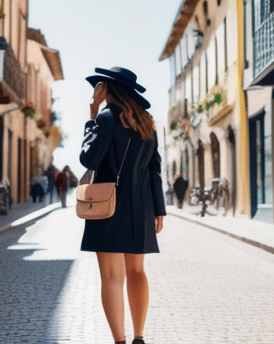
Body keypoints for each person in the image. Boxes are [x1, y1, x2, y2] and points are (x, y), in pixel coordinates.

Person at [79, 67, 166, 344]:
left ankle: (120, 341)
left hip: (109, 206)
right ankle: (139, 336)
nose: (97, 92)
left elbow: (89, 159)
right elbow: (155, 169)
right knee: (137, 271)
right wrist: (159, 209)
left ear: (109, 91)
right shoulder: (147, 122)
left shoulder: (105, 118)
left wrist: (92, 115)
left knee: (112, 277)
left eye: (100, 88)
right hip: (141, 207)